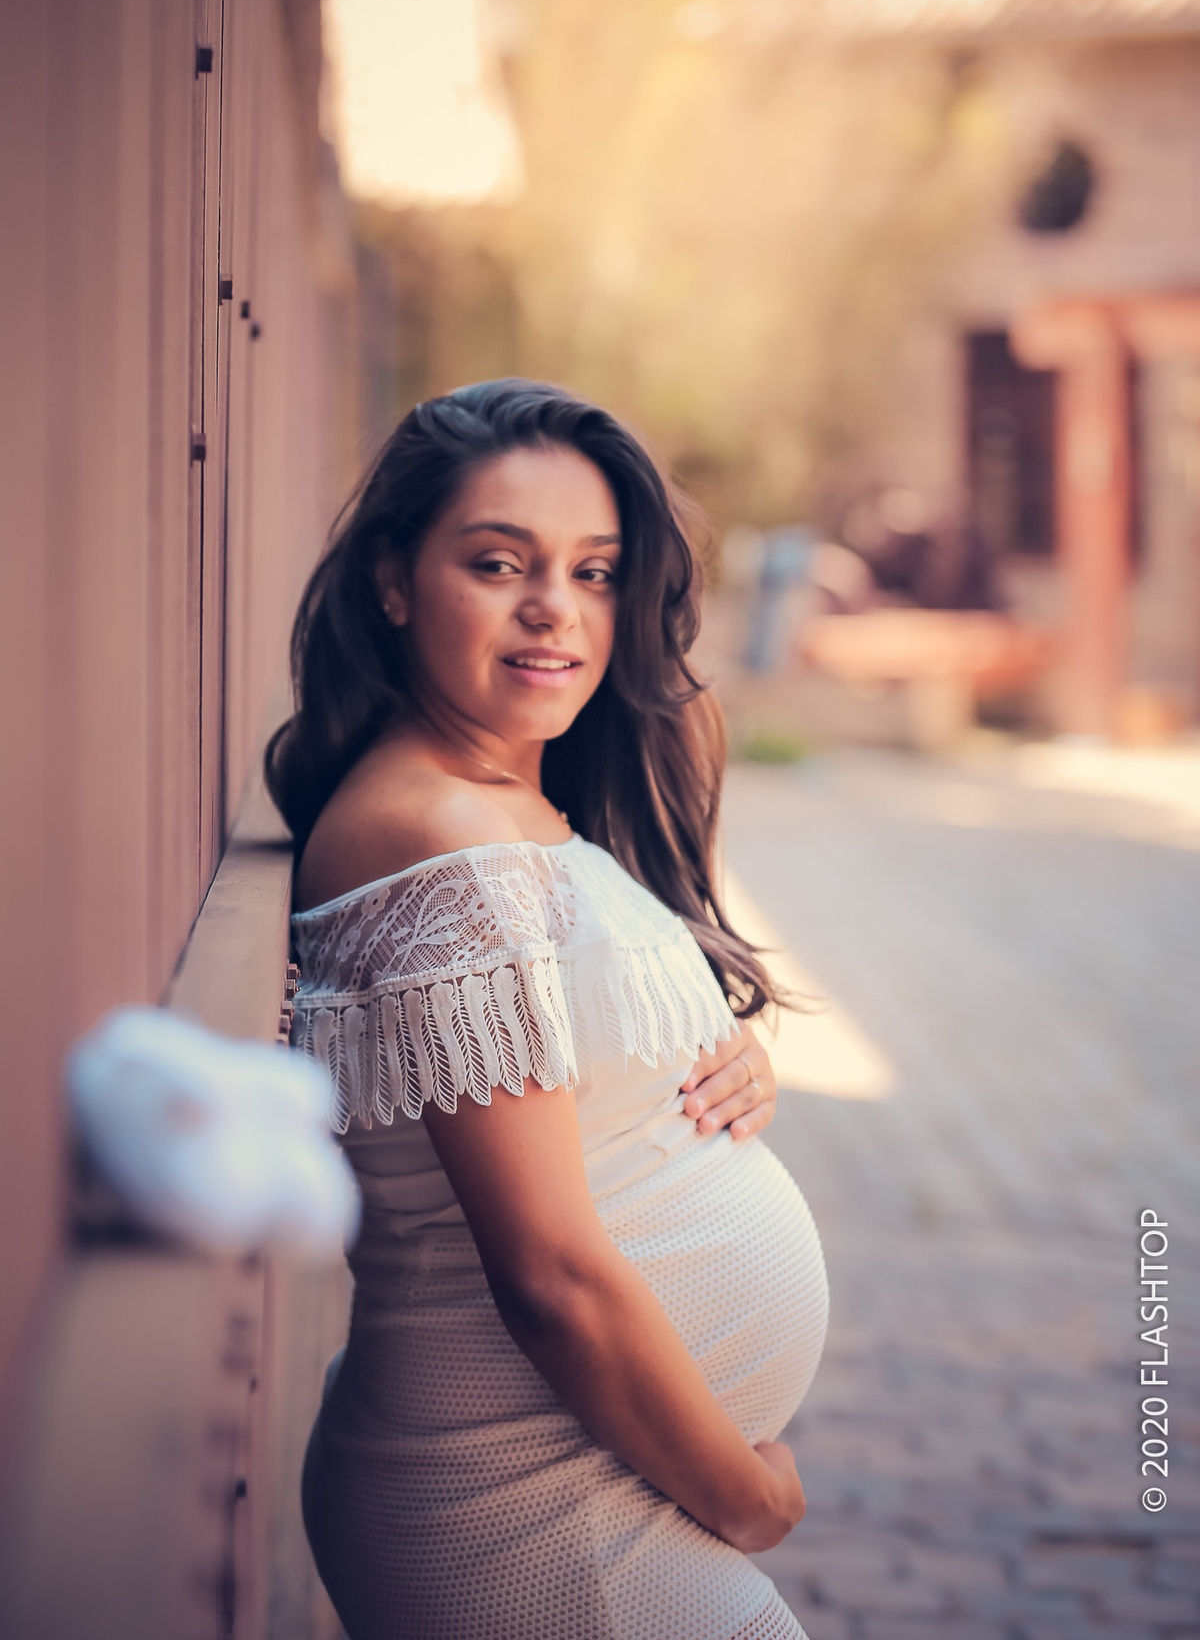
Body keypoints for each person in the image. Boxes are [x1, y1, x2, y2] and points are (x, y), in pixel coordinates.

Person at [267, 380, 829, 1640]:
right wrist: (744, 1497)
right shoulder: (442, 837)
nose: (554, 611)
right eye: (498, 562)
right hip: (526, 1504)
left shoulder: (499, 804)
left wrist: (714, 1066)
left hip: (580, 1469)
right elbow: (554, 1276)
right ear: (394, 579)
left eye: (593, 571)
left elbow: (558, 1051)